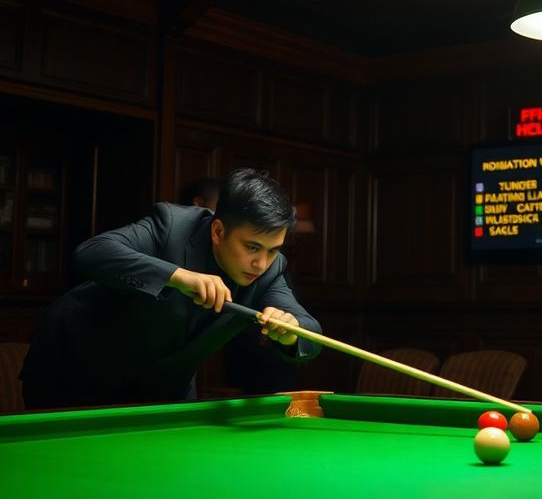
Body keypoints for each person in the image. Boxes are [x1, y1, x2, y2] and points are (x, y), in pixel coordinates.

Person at [20, 168, 322, 409]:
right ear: (218, 231)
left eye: (272, 250)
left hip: (161, 390)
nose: (261, 263)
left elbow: (310, 332)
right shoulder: (171, 226)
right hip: (72, 368)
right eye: (253, 247)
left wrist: (292, 328)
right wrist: (177, 276)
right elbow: (91, 253)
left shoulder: (271, 268)